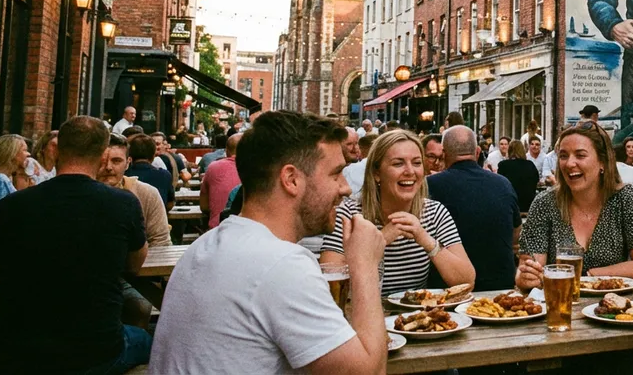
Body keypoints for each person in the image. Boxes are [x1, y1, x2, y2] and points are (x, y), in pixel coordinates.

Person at [150, 110, 390, 373]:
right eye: (335, 174)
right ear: (291, 179)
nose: (345, 187)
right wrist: (365, 265)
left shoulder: (206, 245)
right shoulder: (281, 263)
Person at [0, 116, 151, 373]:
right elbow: (135, 264)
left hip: (17, 347)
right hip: (97, 350)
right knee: (147, 340)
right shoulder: (123, 203)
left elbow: (1, 266)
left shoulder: (13, 205)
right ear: (102, 156)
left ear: (56, 152)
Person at [321, 130, 474, 296]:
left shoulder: (434, 212)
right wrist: (381, 239)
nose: (410, 171)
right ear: (377, 173)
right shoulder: (349, 215)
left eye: (416, 163)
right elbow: (330, 284)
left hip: (413, 317)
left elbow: (467, 282)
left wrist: (426, 240)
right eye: (398, 164)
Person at [515, 121, 633, 289]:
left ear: (602, 162)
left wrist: (590, 276)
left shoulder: (626, 198)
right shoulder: (545, 203)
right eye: (563, 155)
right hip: (560, 306)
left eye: (580, 155)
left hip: (614, 308)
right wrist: (526, 277)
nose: (569, 163)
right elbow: (529, 266)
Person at [427, 126, 520, 291]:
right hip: (501, 288)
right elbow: (516, 235)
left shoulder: (429, 186)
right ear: (477, 152)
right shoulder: (504, 184)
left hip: (448, 292)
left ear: (444, 154)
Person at [99, 134, 171, 249]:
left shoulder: (147, 193)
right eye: (102, 161)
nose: (108, 167)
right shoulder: (81, 192)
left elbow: (160, 242)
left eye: (116, 161)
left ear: (128, 163)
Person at [201, 133, 242, 229]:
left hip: (217, 229)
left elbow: (204, 206)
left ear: (226, 150)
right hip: (247, 234)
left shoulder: (213, 167)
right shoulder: (258, 171)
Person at [124, 134, 174, 209]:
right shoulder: (164, 175)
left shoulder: (124, 175)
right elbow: (170, 203)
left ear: (129, 154)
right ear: (154, 154)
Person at [498, 139, 540, 214]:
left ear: (509, 150)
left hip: (511, 206)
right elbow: (536, 181)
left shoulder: (503, 165)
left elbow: (500, 186)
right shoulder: (530, 165)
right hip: (528, 206)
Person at [0, 135, 27, 212]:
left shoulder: (9, 177)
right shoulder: (1, 180)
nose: (28, 154)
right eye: (24, 150)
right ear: (12, 153)